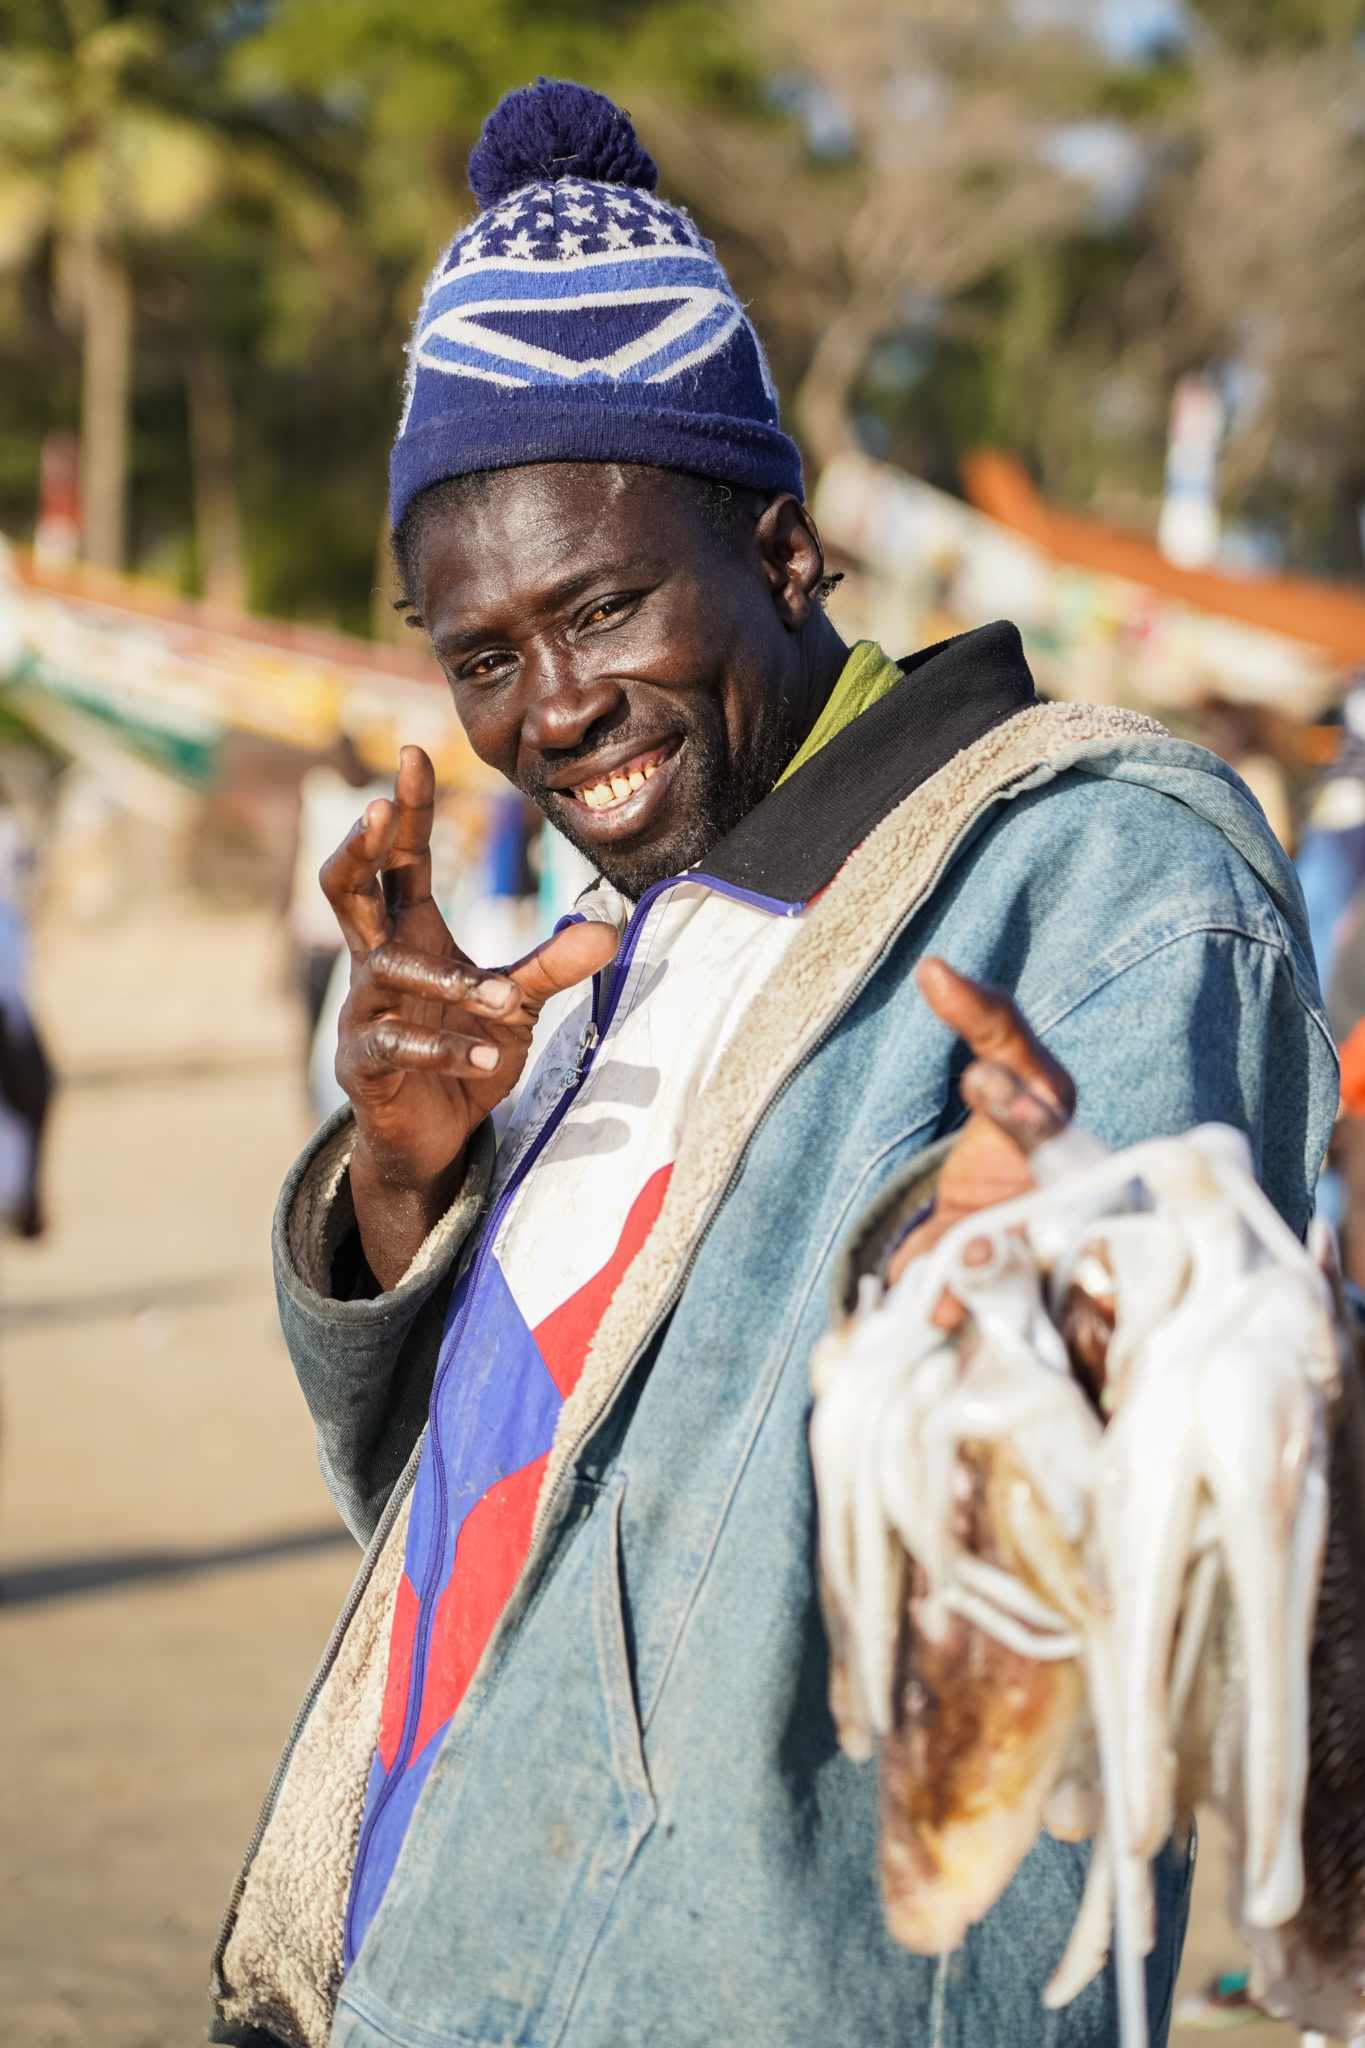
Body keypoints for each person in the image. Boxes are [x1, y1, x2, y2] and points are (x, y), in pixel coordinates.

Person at [209, 82, 1337, 2048]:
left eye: (600, 604)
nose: (549, 710)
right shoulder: (631, 962)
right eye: (477, 652)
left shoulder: (1096, 863)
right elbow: (512, 1554)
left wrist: (1030, 1273)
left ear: (786, 547)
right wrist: (404, 1185)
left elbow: (1106, 1498)